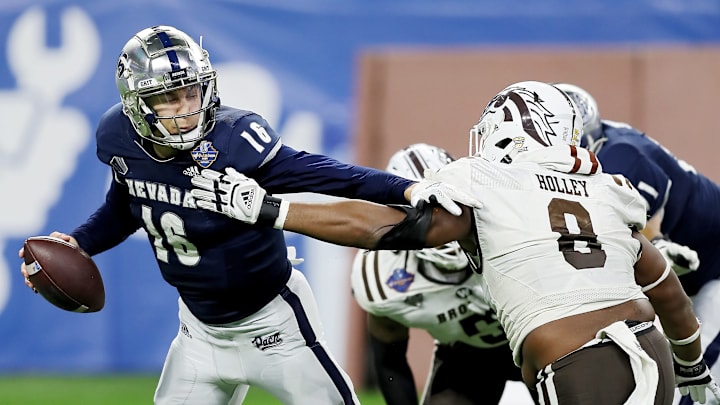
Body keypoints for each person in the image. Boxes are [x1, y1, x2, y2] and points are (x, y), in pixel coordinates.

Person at [190, 81, 720, 404]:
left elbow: (386, 229)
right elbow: (665, 286)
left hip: (577, 360)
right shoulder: (605, 187)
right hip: (649, 344)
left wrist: (272, 208)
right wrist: (693, 366)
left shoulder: (483, 181)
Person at [18, 25, 459, 405]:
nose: (186, 108)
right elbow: (126, 205)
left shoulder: (235, 140)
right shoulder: (118, 137)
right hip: (198, 333)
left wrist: (409, 187)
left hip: (276, 325)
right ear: (137, 105)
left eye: (191, 91)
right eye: (168, 98)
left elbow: (333, 176)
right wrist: (81, 243)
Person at [555, 82, 720, 405]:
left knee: (694, 386)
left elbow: (645, 224)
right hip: (680, 282)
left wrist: (656, 243)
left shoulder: (620, 156)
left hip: (712, 273)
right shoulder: (604, 146)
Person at [351, 143, 527, 405]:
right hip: (469, 357)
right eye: (424, 207)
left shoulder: (508, 229)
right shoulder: (384, 275)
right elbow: (390, 363)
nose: (439, 216)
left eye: (450, 202)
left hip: (537, 338)